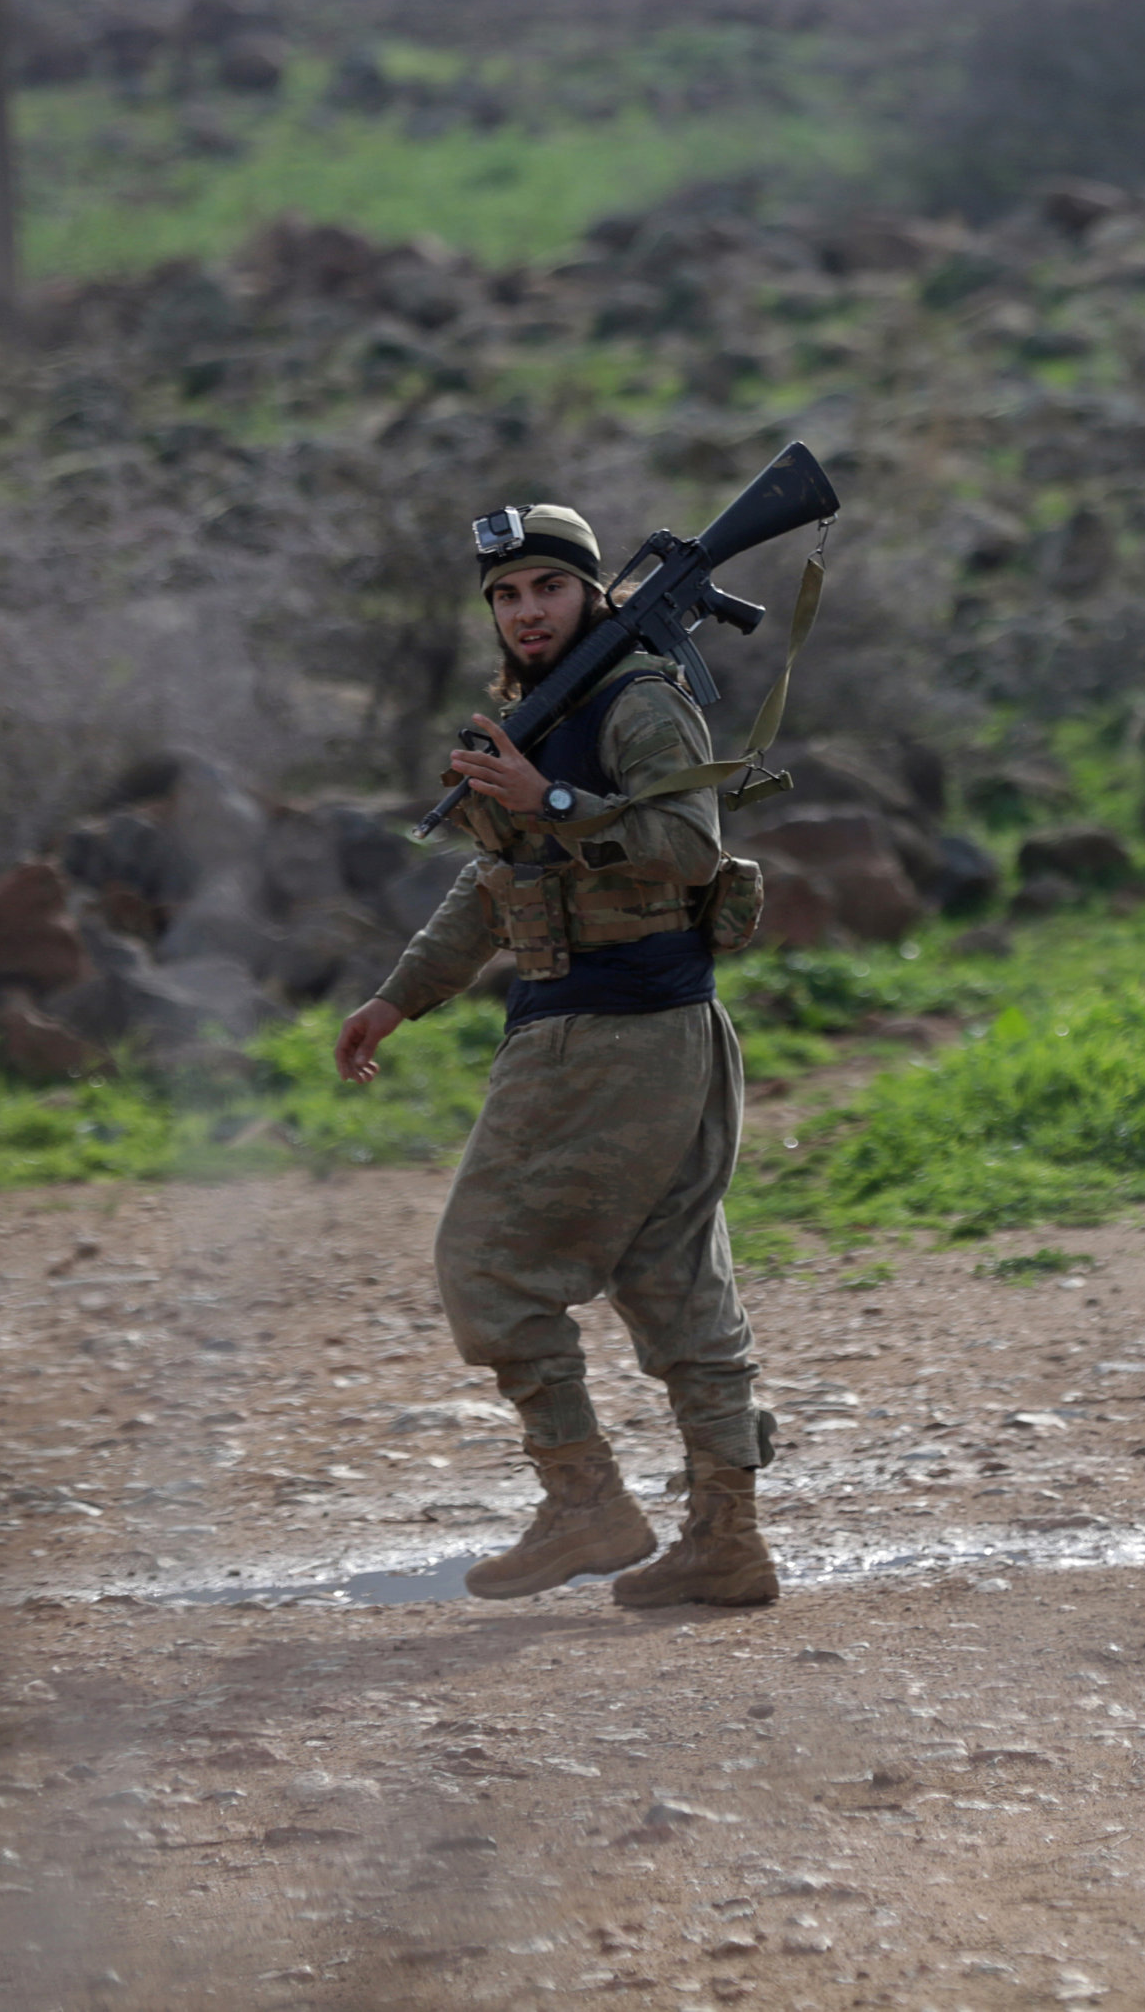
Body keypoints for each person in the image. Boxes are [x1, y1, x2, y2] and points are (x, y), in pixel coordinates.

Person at [335, 502, 781, 1604]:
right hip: (647, 1034)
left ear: (591, 592)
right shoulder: (534, 713)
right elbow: (495, 884)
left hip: (607, 1034)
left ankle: (585, 1504)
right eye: (506, 595)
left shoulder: (635, 700)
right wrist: (399, 999)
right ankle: (727, 1541)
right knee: (675, 1284)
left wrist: (557, 799)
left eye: (547, 588)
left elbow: (689, 846)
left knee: (485, 1266)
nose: (527, 611)